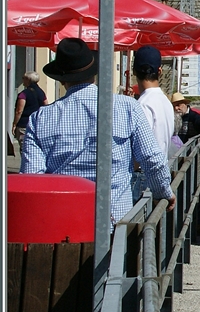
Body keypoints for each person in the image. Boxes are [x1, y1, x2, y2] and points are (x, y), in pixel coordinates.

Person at [20, 38, 175, 225]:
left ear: (61, 80)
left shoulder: (40, 118)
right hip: (115, 224)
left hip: (62, 224)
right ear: (94, 74)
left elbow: (32, 179)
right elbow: (153, 159)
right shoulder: (127, 107)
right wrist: (163, 193)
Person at [133, 46, 174, 193]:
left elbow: (142, 149)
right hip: (162, 170)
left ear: (133, 71)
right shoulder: (166, 102)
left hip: (144, 176)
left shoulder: (142, 105)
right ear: (160, 71)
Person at [12, 71, 48, 150]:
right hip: (38, 123)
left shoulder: (23, 94)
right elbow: (46, 106)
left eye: (23, 78)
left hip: (24, 124)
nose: (22, 80)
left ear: (28, 80)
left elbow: (19, 111)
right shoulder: (41, 93)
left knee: (25, 148)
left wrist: (14, 124)